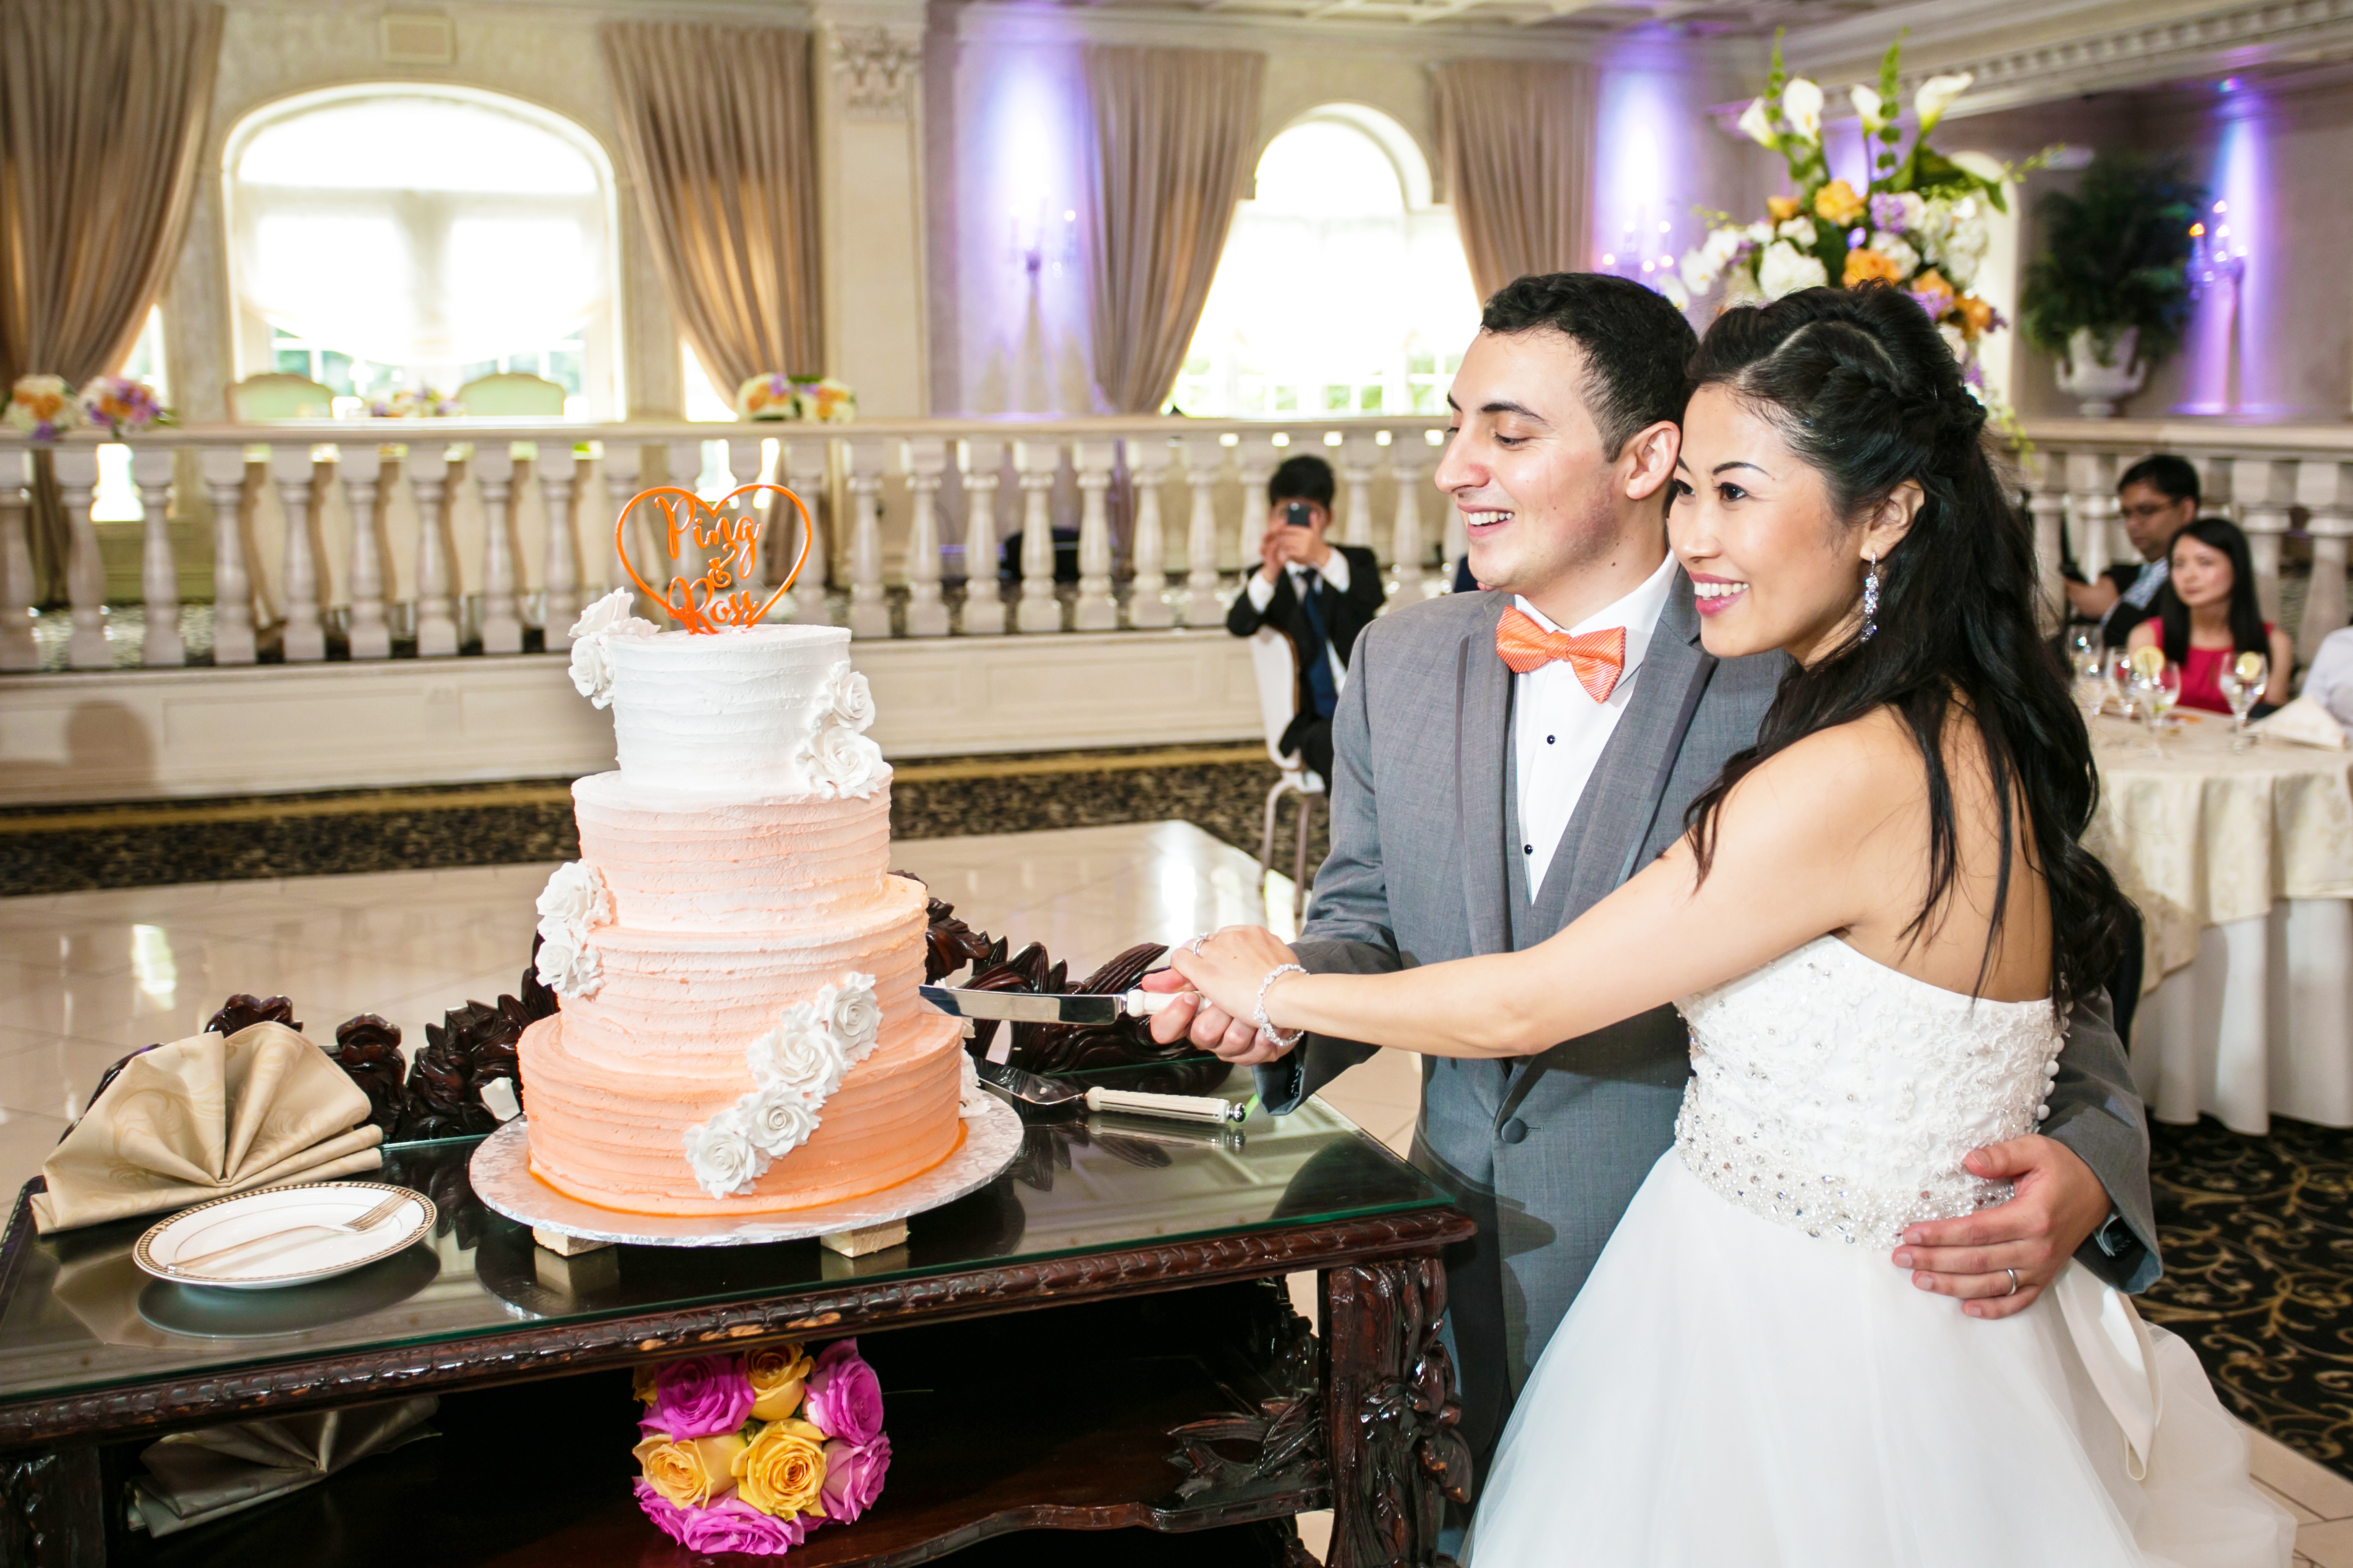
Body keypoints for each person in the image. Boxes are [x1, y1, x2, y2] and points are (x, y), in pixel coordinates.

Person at [1158, 283, 2291, 1562]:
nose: (1455, 465)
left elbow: (2036, 972)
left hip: (1776, 1328)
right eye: (1454, 422)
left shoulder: (1808, 676)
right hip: (1468, 1268)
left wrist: (2089, 1157)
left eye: (1508, 431)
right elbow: (1363, 917)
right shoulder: (1403, 660)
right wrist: (1278, 1007)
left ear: (1640, 455)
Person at [1225, 454, 1382, 783]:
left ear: (1327, 518)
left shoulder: (1354, 561)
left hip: (1370, 709)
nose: (1296, 522)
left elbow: (1371, 597)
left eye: (1308, 512)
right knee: (1335, 746)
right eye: (1287, 512)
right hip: (1313, 721)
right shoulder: (1267, 579)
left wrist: (1321, 557)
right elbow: (1239, 624)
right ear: (1271, 517)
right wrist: (1271, 571)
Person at [2125, 517, 2294, 715]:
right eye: (2179, 564)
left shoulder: (2275, 643)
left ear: (2236, 567)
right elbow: (2136, 714)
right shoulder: (2148, 638)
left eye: (2205, 563)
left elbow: (2270, 723)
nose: (2189, 576)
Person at [2064, 454, 2199, 648]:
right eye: (2126, 514)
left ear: (2186, 510)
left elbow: (2168, 647)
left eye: (2146, 510)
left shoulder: (2197, 582)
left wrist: (2111, 610)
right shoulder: (2119, 579)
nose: (2133, 524)